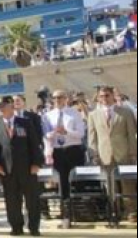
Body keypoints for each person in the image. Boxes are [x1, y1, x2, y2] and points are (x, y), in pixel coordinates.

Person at [0, 97, 45, 236]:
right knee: (12, 201)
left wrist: (36, 163)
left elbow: (34, 145)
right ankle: (16, 227)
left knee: (32, 200)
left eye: (4, 105)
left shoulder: (25, 123)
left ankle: (34, 227)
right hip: (7, 170)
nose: (1, 109)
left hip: (27, 168)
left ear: (11, 106)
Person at [88, 87, 138, 224]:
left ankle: (131, 212)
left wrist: (134, 153)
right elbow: (92, 138)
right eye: (101, 96)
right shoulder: (93, 115)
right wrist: (94, 155)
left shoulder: (126, 112)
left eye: (107, 95)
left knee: (128, 184)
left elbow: (132, 135)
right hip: (105, 155)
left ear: (113, 96)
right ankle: (114, 211)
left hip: (124, 153)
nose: (104, 98)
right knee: (110, 186)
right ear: (98, 98)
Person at [41, 91, 86, 209]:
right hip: (58, 151)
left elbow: (81, 133)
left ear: (66, 98)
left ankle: (79, 209)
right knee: (62, 181)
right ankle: (65, 210)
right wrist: (54, 132)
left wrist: (67, 132)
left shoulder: (74, 113)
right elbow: (45, 135)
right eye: (54, 98)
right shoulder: (47, 116)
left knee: (77, 181)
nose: (57, 100)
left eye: (60, 97)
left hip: (73, 150)